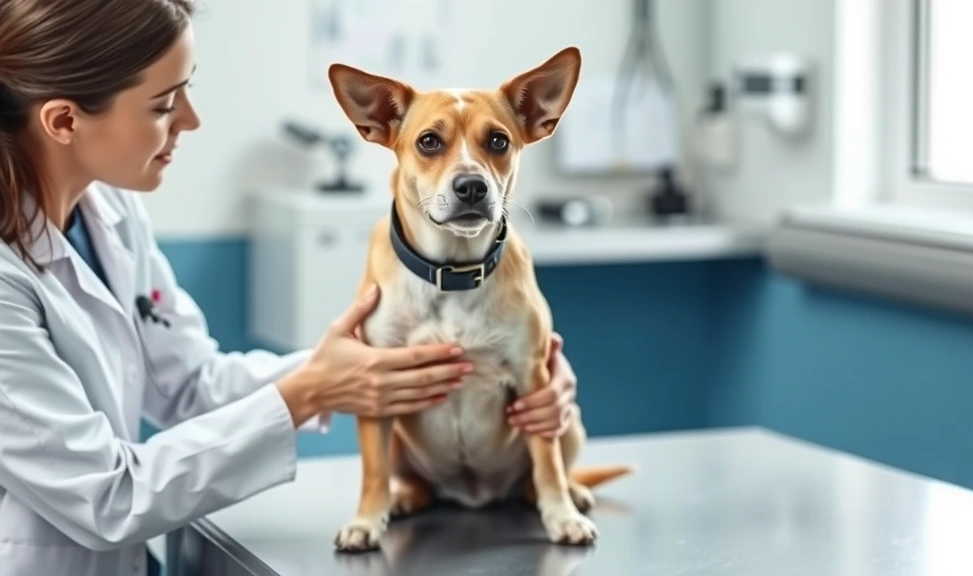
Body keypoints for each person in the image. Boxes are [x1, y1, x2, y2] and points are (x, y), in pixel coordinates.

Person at [0, 2, 581, 575]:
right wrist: (309, 392)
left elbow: (189, 384)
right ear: (64, 121)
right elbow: (108, 496)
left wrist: (366, 372)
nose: (192, 120)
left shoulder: (111, 212)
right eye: (163, 104)